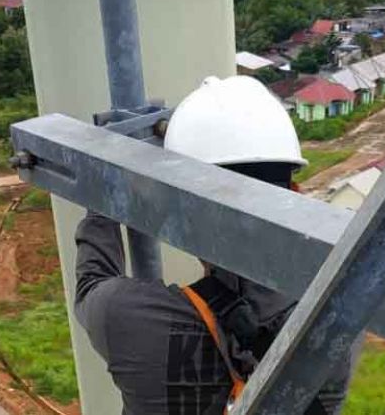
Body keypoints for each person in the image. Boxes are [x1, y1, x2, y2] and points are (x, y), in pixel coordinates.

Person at [74, 76, 356, 415]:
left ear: (182, 217)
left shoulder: (129, 318)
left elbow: (91, 282)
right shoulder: (341, 315)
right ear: (294, 195)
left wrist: (105, 192)